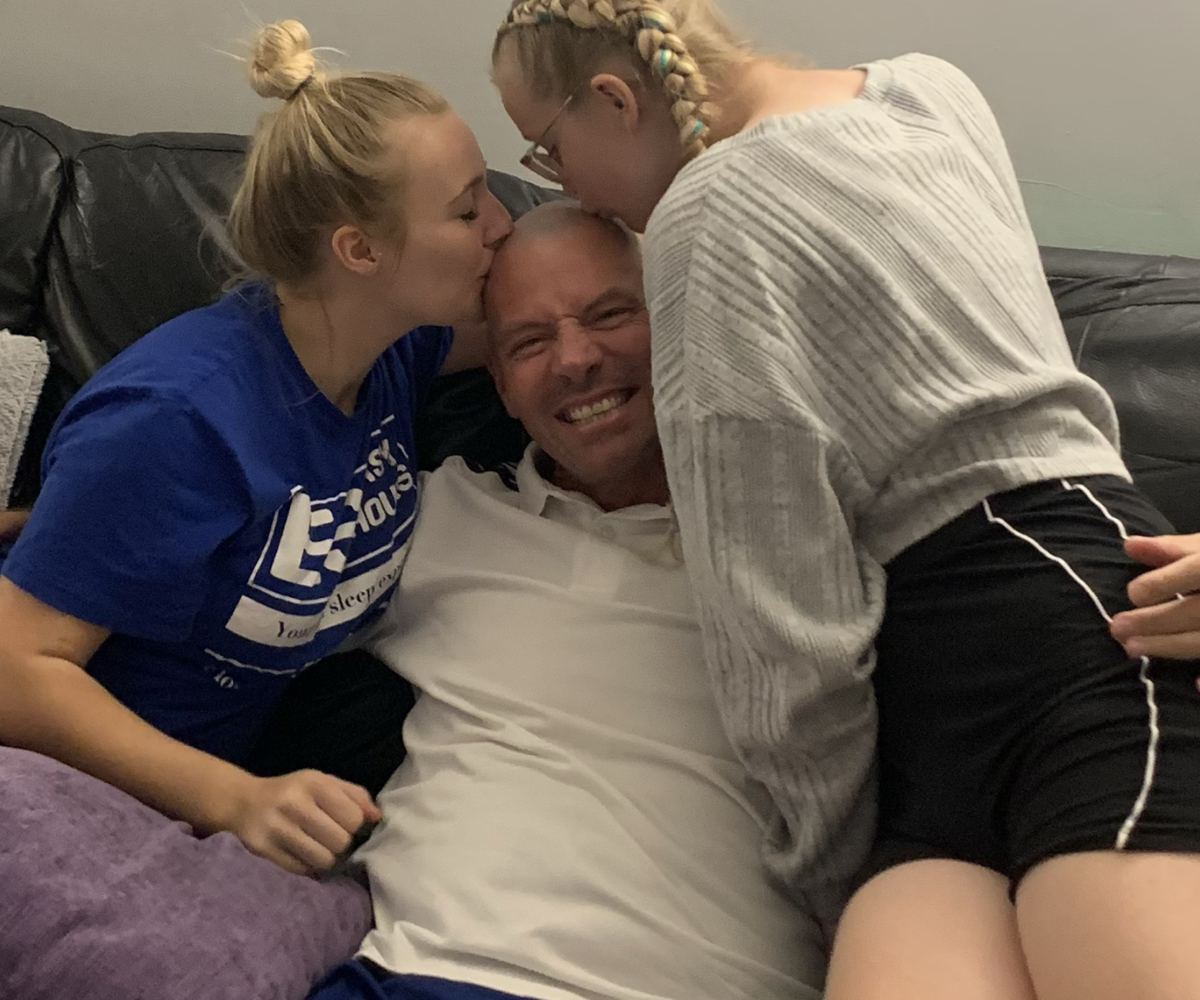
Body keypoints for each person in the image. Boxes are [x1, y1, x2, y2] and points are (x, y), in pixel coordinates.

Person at [490, 3, 1200, 998]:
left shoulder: (704, 217)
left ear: (613, 99)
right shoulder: (932, 89)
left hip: (1058, 647)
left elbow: (777, 623)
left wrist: (820, 867)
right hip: (961, 684)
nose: (564, 186)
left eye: (549, 149)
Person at [0, 20, 512, 878]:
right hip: (73, 795)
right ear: (359, 249)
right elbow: (14, 670)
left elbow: (559, 321)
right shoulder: (177, 420)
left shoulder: (393, 343)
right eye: (467, 210)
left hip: (232, 767)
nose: (501, 225)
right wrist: (236, 800)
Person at [306, 201, 825, 1000]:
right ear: (501, 385)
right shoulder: (432, 517)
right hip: (423, 973)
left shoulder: (796, 529)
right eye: (529, 342)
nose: (576, 359)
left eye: (609, 315)